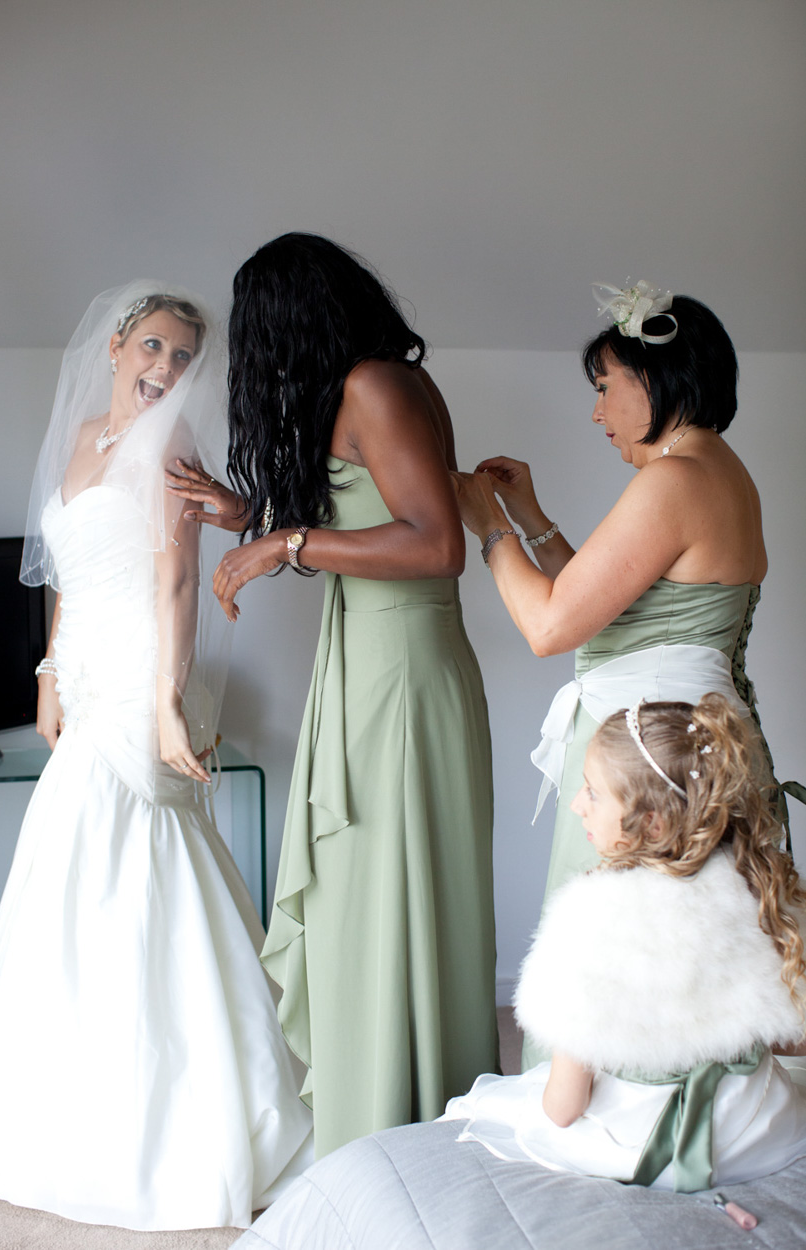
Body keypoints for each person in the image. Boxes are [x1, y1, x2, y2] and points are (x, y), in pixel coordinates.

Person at [0, 283, 312, 1231]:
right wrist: (45, 677)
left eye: (183, 359)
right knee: (68, 873)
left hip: (138, 684)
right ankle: (60, 1102)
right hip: (81, 680)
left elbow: (175, 586)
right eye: (154, 348)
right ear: (119, 344)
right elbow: (64, 575)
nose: (165, 371)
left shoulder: (174, 455)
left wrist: (167, 705)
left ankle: (177, 1113)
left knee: (142, 860)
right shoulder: (82, 436)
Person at [172, 233, 498, 1158]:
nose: (258, 352)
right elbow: (362, 515)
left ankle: (402, 1136)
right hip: (370, 659)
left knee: (387, 892)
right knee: (370, 896)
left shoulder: (375, 386)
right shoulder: (375, 386)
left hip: (400, 672)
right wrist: (251, 517)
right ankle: (384, 1129)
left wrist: (282, 546)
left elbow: (434, 544)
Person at [452, 281, 799, 1065]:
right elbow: (604, 608)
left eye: (606, 388)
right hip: (680, 755)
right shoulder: (714, 471)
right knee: (678, 957)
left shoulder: (673, 481)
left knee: (624, 969)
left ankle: (616, 1120)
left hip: (649, 775)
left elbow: (548, 625)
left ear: (658, 380)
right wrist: (533, 519)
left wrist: (488, 529)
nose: (597, 412)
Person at [442, 694, 806, 1191]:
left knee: (478, 1109)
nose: (576, 804)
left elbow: (565, 1108)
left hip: (652, 1139)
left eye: (592, 791)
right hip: (757, 1126)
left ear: (651, 822)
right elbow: (787, 1039)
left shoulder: (593, 918)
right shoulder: (754, 885)